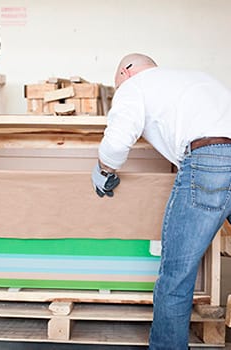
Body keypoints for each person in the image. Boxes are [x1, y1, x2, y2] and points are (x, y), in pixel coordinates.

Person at [91, 53, 231, 349]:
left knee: (176, 276)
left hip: (210, 161)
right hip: (219, 152)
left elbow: (116, 143)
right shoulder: (194, 78)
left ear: (126, 72)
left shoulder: (135, 86)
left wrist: (104, 169)